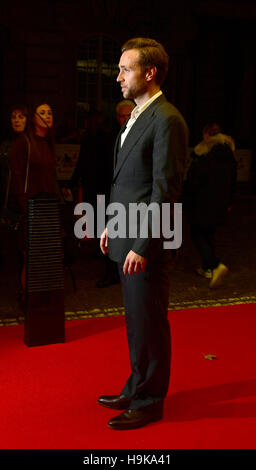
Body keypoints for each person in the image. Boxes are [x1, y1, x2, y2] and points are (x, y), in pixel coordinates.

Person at [98, 37, 189, 430]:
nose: (118, 76)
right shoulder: (137, 115)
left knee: (150, 323)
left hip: (145, 245)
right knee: (136, 322)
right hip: (127, 235)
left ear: (149, 73)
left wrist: (142, 244)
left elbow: (164, 191)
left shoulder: (167, 118)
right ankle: (136, 386)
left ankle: (151, 401)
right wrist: (111, 224)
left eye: (125, 68)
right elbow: (128, 184)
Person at [9, 101, 59, 298]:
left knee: (45, 255)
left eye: (49, 113)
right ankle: (28, 296)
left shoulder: (48, 142)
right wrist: (25, 206)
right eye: (42, 113)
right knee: (30, 255)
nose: (47, 116)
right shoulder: (25, 142)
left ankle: (41, 295)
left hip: (47, 205)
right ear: (34, 118)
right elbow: (18, 176)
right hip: (30, 206)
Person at [184, 122, 237, 288]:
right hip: (220, 201)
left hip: (202, 201)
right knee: (210, 233)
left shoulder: (202, 153)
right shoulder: (229, 154)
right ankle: (208, 268)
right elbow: (233, 181)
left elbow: (194, 181)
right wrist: (229, 201)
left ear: (206, 134)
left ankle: (215, 264)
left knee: (197, 233)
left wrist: (186, 199)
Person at [95, 100, 135, 288]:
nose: (125, 119)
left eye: (129, 115)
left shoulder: (141, 135)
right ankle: (112, 272)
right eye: (122, 116)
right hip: (110, 194)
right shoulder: (109, 137)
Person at [0, 105, 28, 266]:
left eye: (21, 117)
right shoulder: (5, 145)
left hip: (24, 199)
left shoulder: (31, 142)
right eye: (13, 117)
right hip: (8, 198)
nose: (17, 120)